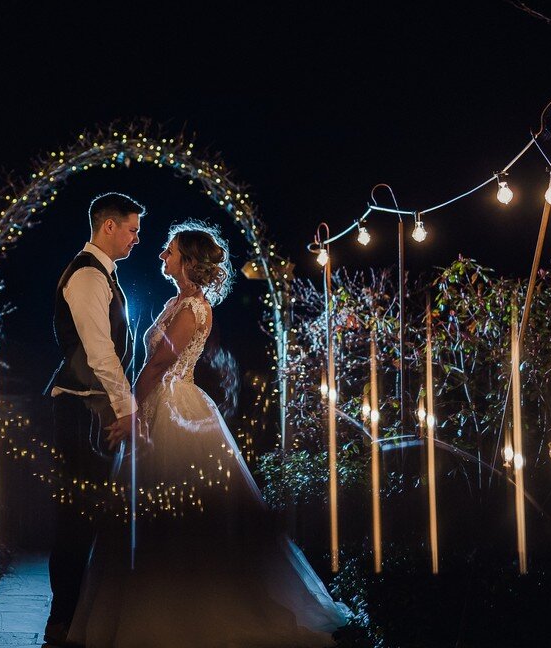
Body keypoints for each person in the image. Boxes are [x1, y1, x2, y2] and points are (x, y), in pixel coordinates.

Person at [67, 220, 350, 648]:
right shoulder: (178, 301)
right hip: (163, 403)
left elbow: (159, 367)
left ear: (188, 260)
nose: (162, 254)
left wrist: (133, 412)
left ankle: (186, 614)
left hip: (176, 410)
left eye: (170, 250)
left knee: (176, 513)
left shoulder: (193, 308)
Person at [44, 192, 145, 648]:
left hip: (89, 406)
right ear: (108, 227)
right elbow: (100, 352)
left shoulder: (102, 274)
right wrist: (128, 410)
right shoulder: (87, 276)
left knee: (86, 515)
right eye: (132, 229)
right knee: (76, 516)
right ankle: (62, 621)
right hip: (83, 409)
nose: (136, 238)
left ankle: (74, 617)